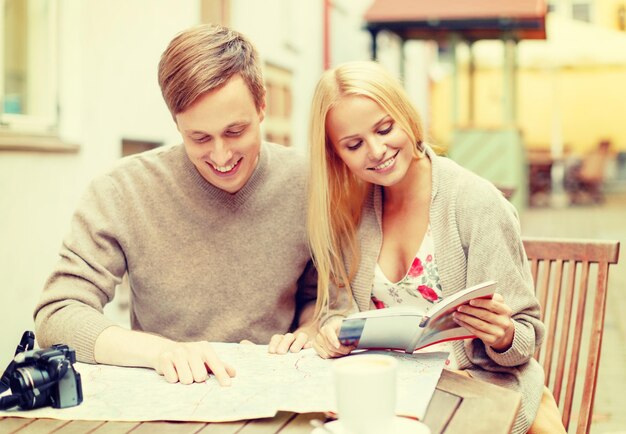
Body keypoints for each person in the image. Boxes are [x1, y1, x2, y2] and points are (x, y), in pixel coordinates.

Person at [33, 24, 316, 387]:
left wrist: (311, 327)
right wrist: (158, 352)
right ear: (176, 123)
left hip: (278, 396)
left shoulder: (307, 183)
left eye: (235, 131)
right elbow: (58, 314)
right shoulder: (122, 191)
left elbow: (321, 295)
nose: (221, 155)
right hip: (167, 397)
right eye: (199, 137)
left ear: (262, 107)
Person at [306, 61, 564, 434]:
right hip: (389, 399)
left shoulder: (476, 203)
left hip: (473, 397)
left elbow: (524, 337)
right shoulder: (348, 212)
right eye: (354, 144)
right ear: (336, 154)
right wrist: (332, 331)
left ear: (407, 116)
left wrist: (503, 334)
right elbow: (335, 310)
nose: (376, 150)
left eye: (384, 128)